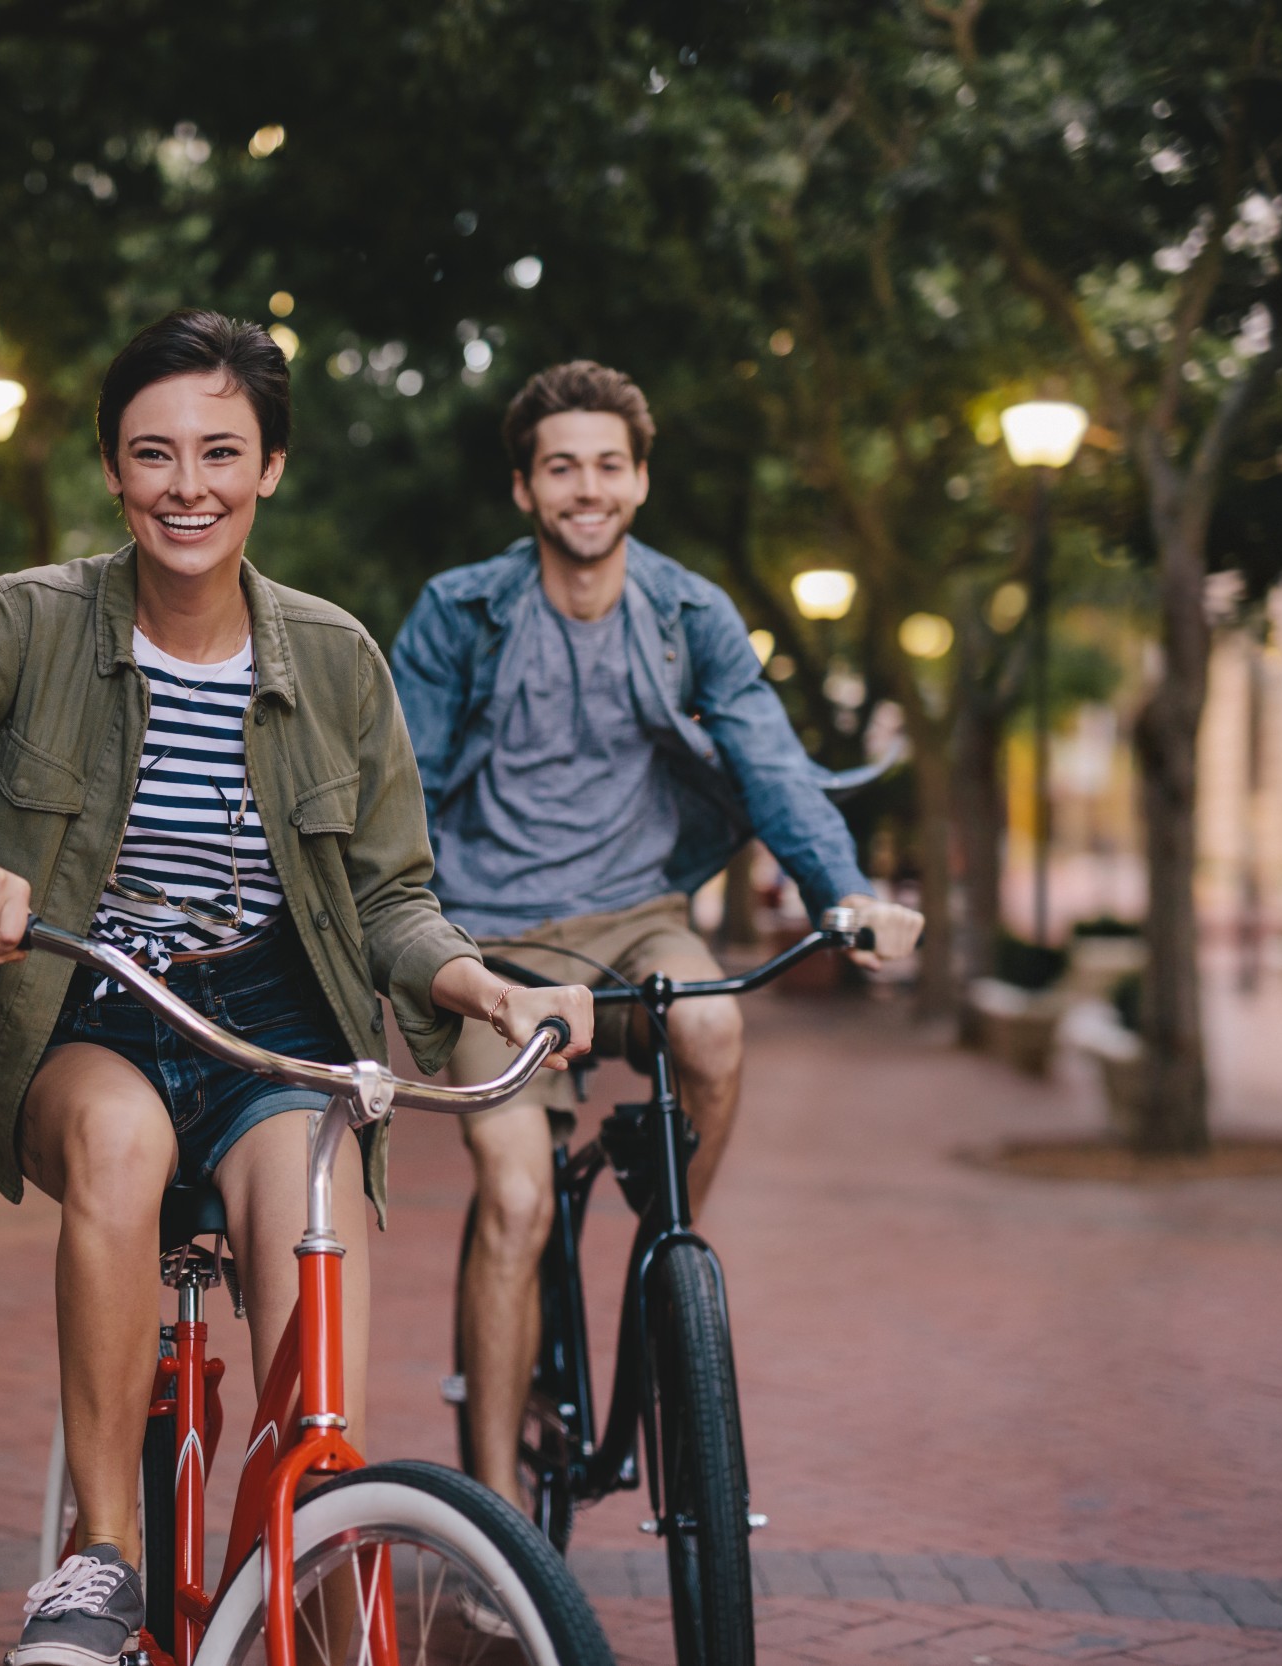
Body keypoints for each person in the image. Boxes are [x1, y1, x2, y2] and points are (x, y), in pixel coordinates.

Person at [0, 311, 593, 1666]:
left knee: (307, 1302)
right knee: (122, 1138)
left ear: (271, 466)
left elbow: (394, 895)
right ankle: (100, 1557)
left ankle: (316, 1564)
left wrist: (483, 982)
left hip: (273, 1026)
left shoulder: (337, 657)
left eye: (222, 451)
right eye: (154, 453)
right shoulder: (28, 618)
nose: (188, 484)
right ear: (113, 469)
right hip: (84, 1005)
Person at [389, 359, 923, 1522]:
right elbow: (404, 795)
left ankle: (659, 1262)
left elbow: (771, 767)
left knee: (718, 1026)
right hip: (492, 939)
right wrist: (417, 941)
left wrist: (846, 891)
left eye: (609, 466)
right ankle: (492, 1524)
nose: (588, 488)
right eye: (561, 467)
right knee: (518, 1202)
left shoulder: (687, 615)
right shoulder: (459, 613)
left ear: (640, 480)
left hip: (638, 916)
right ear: (525, 490)